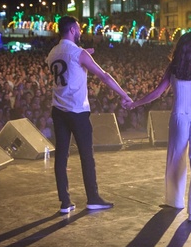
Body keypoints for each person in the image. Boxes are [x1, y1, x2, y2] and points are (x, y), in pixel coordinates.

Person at [126, 32, 191, 223]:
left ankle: (175, 200)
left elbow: (157, 93)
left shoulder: (173, 68)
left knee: (175, 160)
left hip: (179, 118)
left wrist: (135, 104)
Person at [46, 15, 133, 214]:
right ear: (71, 30)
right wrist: (124, 95)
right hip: (77, 110)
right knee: (87, 155)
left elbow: (68, 66)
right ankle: (92, 198)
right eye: (78, 28)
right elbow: (104, 76)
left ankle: (65, 202)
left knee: (61, 156)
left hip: (58, 110)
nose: (80, 31)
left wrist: (86, 54)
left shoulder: (52, 52)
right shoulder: (79, 53)